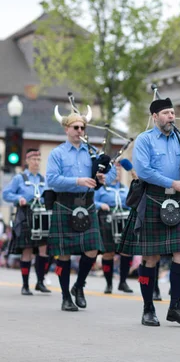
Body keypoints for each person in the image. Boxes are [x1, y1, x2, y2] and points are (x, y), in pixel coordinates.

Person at [118, 96, 180, 326]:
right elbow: (143, 170)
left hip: (177, 202)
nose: (171, 116)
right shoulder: (145, 140)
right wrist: (172, 183)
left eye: (172, 112)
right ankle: (148, 308)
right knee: (150, 257)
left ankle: (175, 307)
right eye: (166, 113)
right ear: (155, 116)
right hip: (153, 199)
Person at [47, 107, 116, 311]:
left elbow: (109, 174)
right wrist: (77, 180)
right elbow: (52, 180)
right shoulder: (57, 153)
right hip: (64, 203)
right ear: (66, 129)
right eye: (75, 127)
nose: (79, 130)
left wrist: (104, 178)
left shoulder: (93, 153)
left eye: (82, 127)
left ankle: (79, 285)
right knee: (65, 253)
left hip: (87, 204)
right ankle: (65, 296)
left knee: (93, 249)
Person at [2, 149, 51, 295]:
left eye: (38, 159)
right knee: (27, 249)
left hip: (41, 216)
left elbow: (49, 195)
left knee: (44, 249)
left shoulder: (44, 179)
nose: (36, 162)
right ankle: (25, 285)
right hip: (25, 215)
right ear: (27, 161)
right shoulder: (19, 178)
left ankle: (40, 282)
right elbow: (6, 193)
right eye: (33, 159)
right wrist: (19, 199)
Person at [94, 162, 133, 294]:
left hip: (123, 220)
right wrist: (100, 205)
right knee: (108, 252)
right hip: (107, 220)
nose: (116, 174)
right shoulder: (101, 188)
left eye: (118, 171)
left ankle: (123, 282)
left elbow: (131, 202)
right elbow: (92, 201)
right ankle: (109, 283)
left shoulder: (125, 188)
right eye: (113, 171)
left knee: (126, 251)